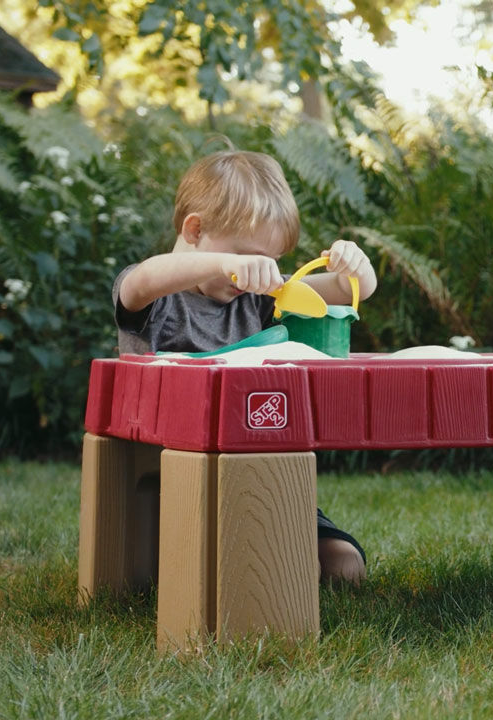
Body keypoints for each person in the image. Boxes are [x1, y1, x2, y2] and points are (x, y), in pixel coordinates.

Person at [112, 149, 378, 585]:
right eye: (251, 258)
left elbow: (342, 290)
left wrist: (358, 271)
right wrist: (225, 265)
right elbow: (142, 279)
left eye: (269, 260)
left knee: (346, 566)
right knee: (278, 570)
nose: (262, 272)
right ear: (194, 229)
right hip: (178, 486)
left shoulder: (255, 298)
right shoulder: (157, 298)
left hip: (265, 479)